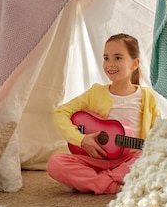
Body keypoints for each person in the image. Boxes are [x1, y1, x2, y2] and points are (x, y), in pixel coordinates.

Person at [47, 33, 160, 194]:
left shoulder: (147, 97)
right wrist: (81, 139)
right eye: (106, 58)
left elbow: (158, 130)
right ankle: (111, 184)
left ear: (135, 64)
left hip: (130, 159)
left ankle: (96, 181)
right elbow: (60, 113)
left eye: (118, 58)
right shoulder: (95, 92)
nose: (110, 64)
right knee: (55, 163)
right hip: (96, 159)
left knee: (150, 156)